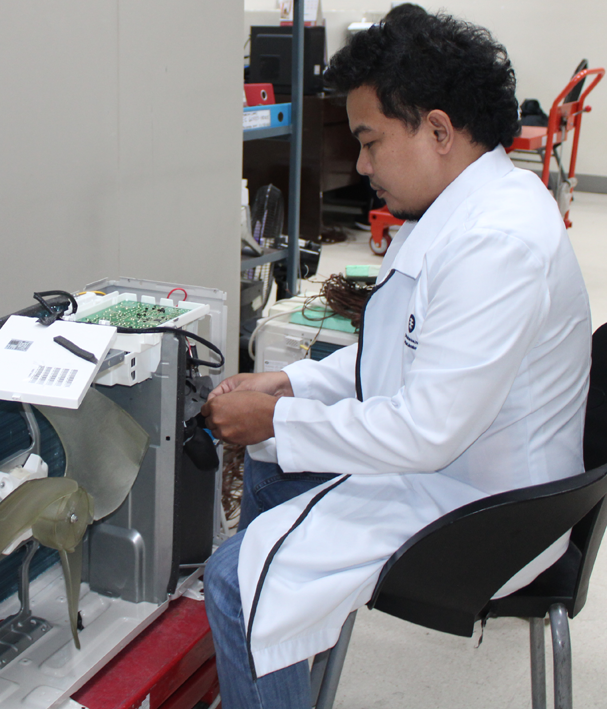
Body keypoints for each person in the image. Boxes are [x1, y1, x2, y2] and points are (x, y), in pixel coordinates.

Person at [201, 10, 592, 708]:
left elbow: (425, 429)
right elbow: (401, 353)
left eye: (369, 142)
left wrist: (276, 418)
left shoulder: (495, 243)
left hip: (489, 514)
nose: (361, 166)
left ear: (438, 131)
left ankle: (266, 635)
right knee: (270, 471)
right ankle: (278, 662)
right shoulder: (460, 207)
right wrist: (290, 382)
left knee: (237, 581)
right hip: (460, 465)